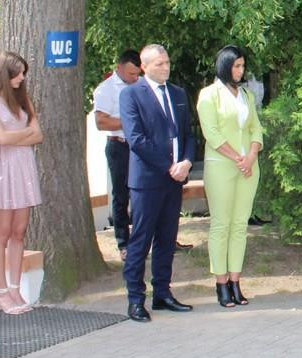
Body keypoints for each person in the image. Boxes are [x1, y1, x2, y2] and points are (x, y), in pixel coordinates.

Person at [119, 44, 196, 322]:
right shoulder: (131, 94)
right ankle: (135, 299)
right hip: (148, 180)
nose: (166, 67)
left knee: (167, 238)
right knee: (141, 240)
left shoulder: (177, 93)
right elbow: (136, 139)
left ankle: (162, 293)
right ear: (144, 66)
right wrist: (168, 166)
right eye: (159, 64)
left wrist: (186, 161)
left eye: (167, 62)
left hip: (175, 179)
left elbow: (188, 133)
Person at [197, 45, 264, 309]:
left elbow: (256, 128)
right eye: (236, 66)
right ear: (225, 66)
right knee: (221, 225)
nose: (240, 70)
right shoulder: (209, 95)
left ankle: (236, 281)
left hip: (248, 167)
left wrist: (251, 156)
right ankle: (221, 283)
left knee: (239, 226)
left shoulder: (246, 95)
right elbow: (211, 133)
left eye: (242, 66)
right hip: (221, 166)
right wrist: (238, 158)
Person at [0, 51, 43, 314]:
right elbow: (1, 138)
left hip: (23, 167)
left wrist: (14, 135)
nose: (21, 78)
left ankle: (16, 287)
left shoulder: (22, 98)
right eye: (18, 73)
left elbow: (38, 135)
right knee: (2, 232)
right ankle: (1, 291)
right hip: (2, 169)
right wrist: (23, 133)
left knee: (19, 230)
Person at [93, 49, 142, 258]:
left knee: (142, 193)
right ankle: (124, 243)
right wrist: (130, 122)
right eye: (131, 73)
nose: (135, 77)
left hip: (139, 145)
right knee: (121, 195)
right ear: (119, 68)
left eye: (137, 73)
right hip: (119, 145)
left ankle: (142, 240)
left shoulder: (141, 85)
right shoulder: (106, 89)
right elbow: (101, 122)